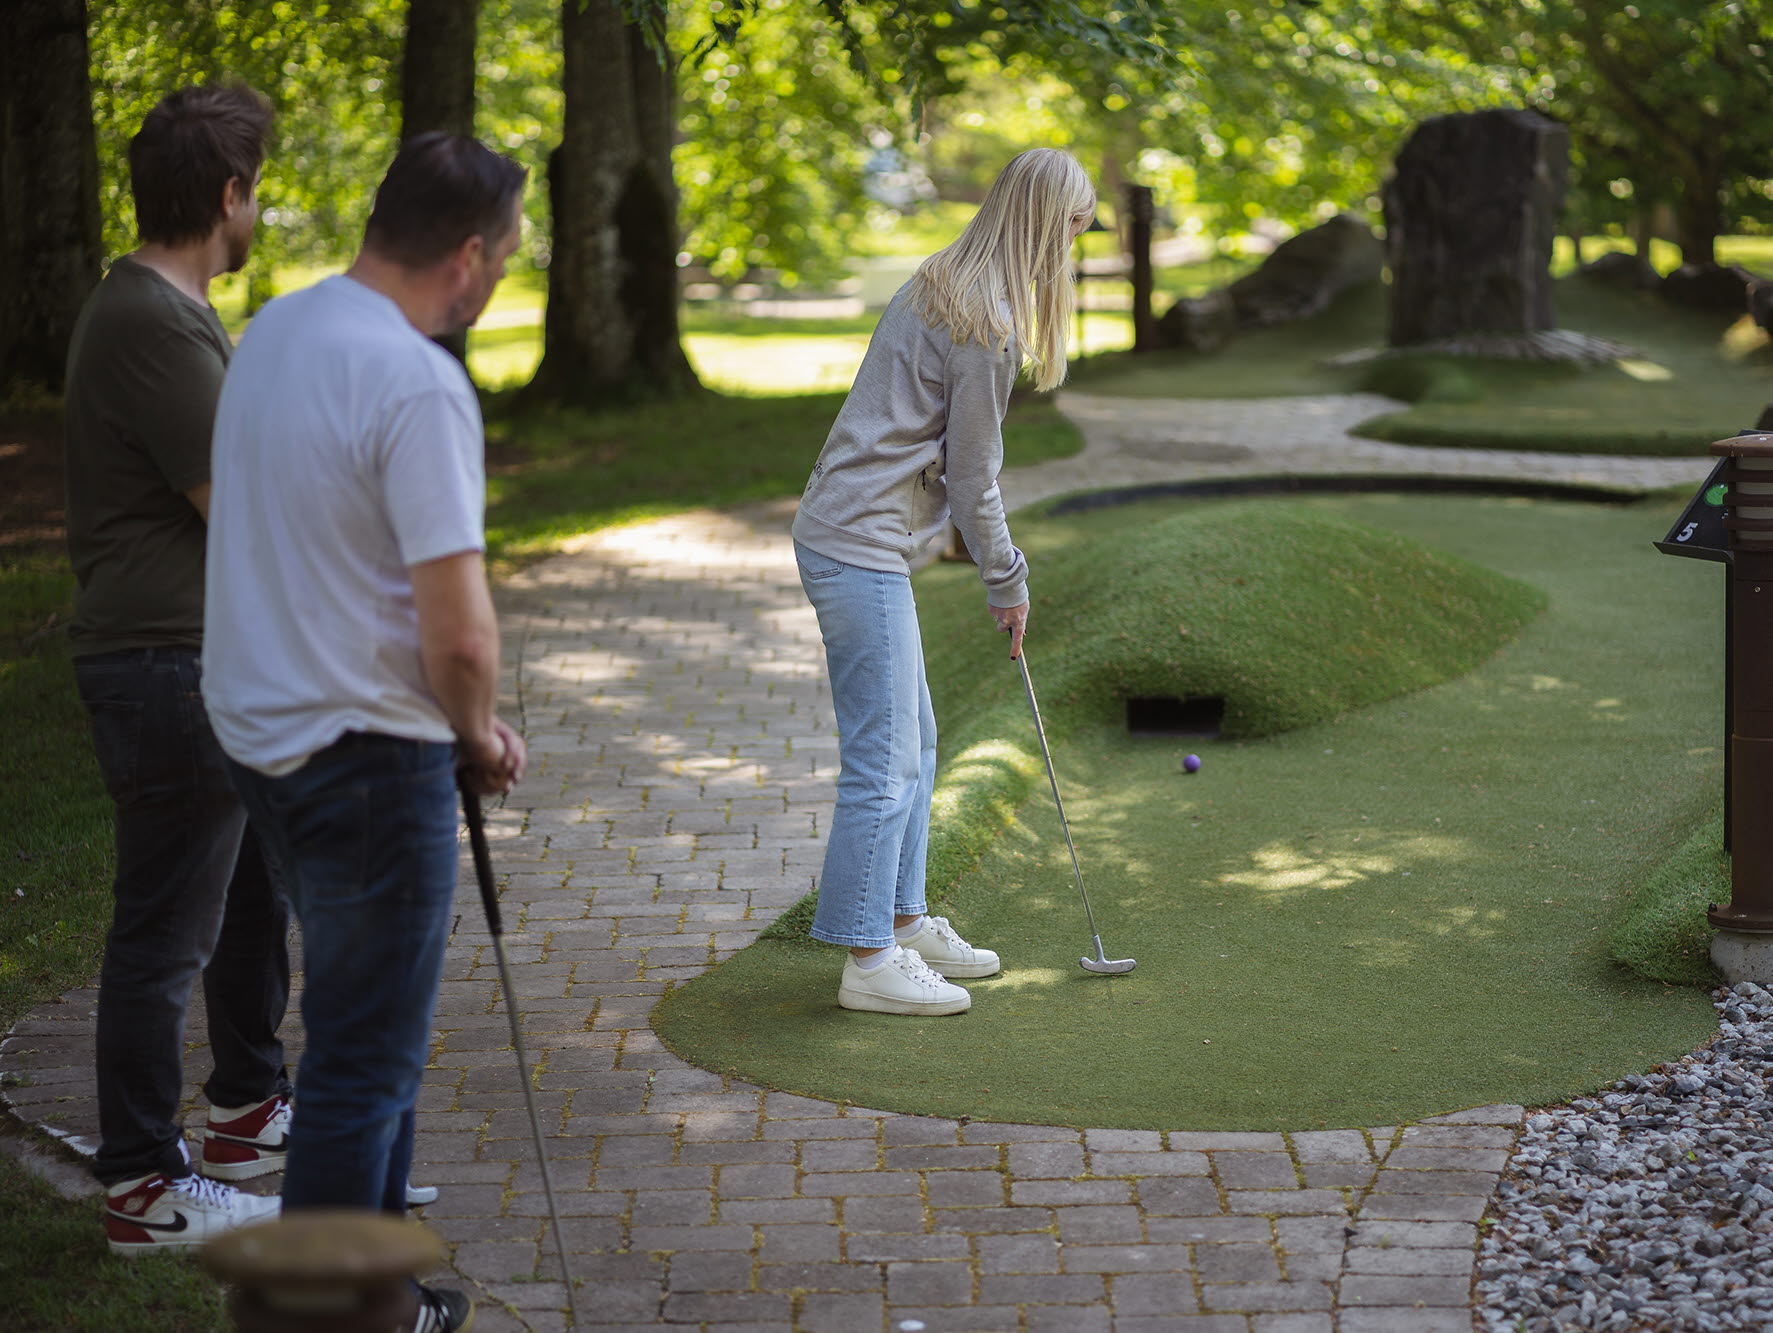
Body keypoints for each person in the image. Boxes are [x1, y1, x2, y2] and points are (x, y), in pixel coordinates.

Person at [203, 132, 527, 1333]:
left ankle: (383, 1297)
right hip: (367, 762)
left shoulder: (278, 329)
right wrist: (478, 733)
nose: (501, 274)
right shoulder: (416, 380)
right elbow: (462, 637)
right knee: (361, 1057)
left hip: (263, 737)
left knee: (366, 1028)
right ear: (467, 256)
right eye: (507, 256)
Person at [62, 83, 292, 1255]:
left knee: (250, 900)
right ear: (228, 195)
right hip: (166, 667)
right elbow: (244, 502)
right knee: (164, 934)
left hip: (206, 662)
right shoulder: (150, 319)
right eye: (258, 192)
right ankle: (146, 1186)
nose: (260, 212)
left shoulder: (169, 310)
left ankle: (247, 1116)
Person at [790, 147, 1096, 1016]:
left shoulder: (941, 281)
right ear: (1045, 227)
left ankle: (903, 917)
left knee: (916, 744)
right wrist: (1007, 578)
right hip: (856, 542)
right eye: (1074, 228)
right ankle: (868, 958)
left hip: (852, 534)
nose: (1074, 247)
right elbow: (972, 478)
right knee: (883, 761)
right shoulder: (988, 325)